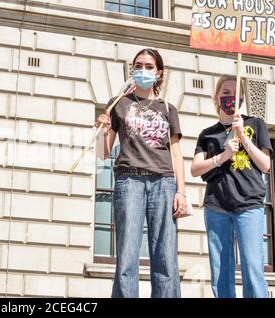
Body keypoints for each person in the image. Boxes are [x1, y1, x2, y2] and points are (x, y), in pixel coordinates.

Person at [95, 48, 187, 298]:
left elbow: (176, 153)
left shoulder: (168, 108)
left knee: (165, 256)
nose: (142, 70)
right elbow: (104, 153)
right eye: (138, 66)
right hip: (129, 181)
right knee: (126, 256)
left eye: (148, 66)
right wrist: (104, 131)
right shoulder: (119, 103)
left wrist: (181, 191)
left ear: (158, 73)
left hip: (163, 183)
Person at [191, 75, 272, 298]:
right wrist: (223, 155)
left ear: (242, 99)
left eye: (234, 94)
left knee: (252, 267)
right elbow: (196, 168)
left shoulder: (256, 124)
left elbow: (265, 165)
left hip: (249, 206)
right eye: (225, 93)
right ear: (217, 98)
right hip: (217, 207)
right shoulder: (207, 134)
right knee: (221, 271)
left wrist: (243, 137)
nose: (229, 98)